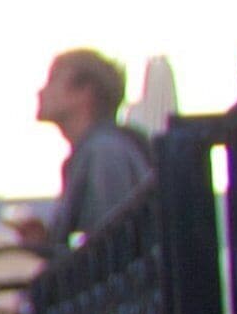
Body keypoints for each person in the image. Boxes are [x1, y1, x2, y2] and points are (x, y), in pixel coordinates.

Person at [9, 48, 155, 251]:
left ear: (85, 92)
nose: (41, 91)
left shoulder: (105, 153)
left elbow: (111, 251)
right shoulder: (101, 152)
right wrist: (47, 243)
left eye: (53, 79)